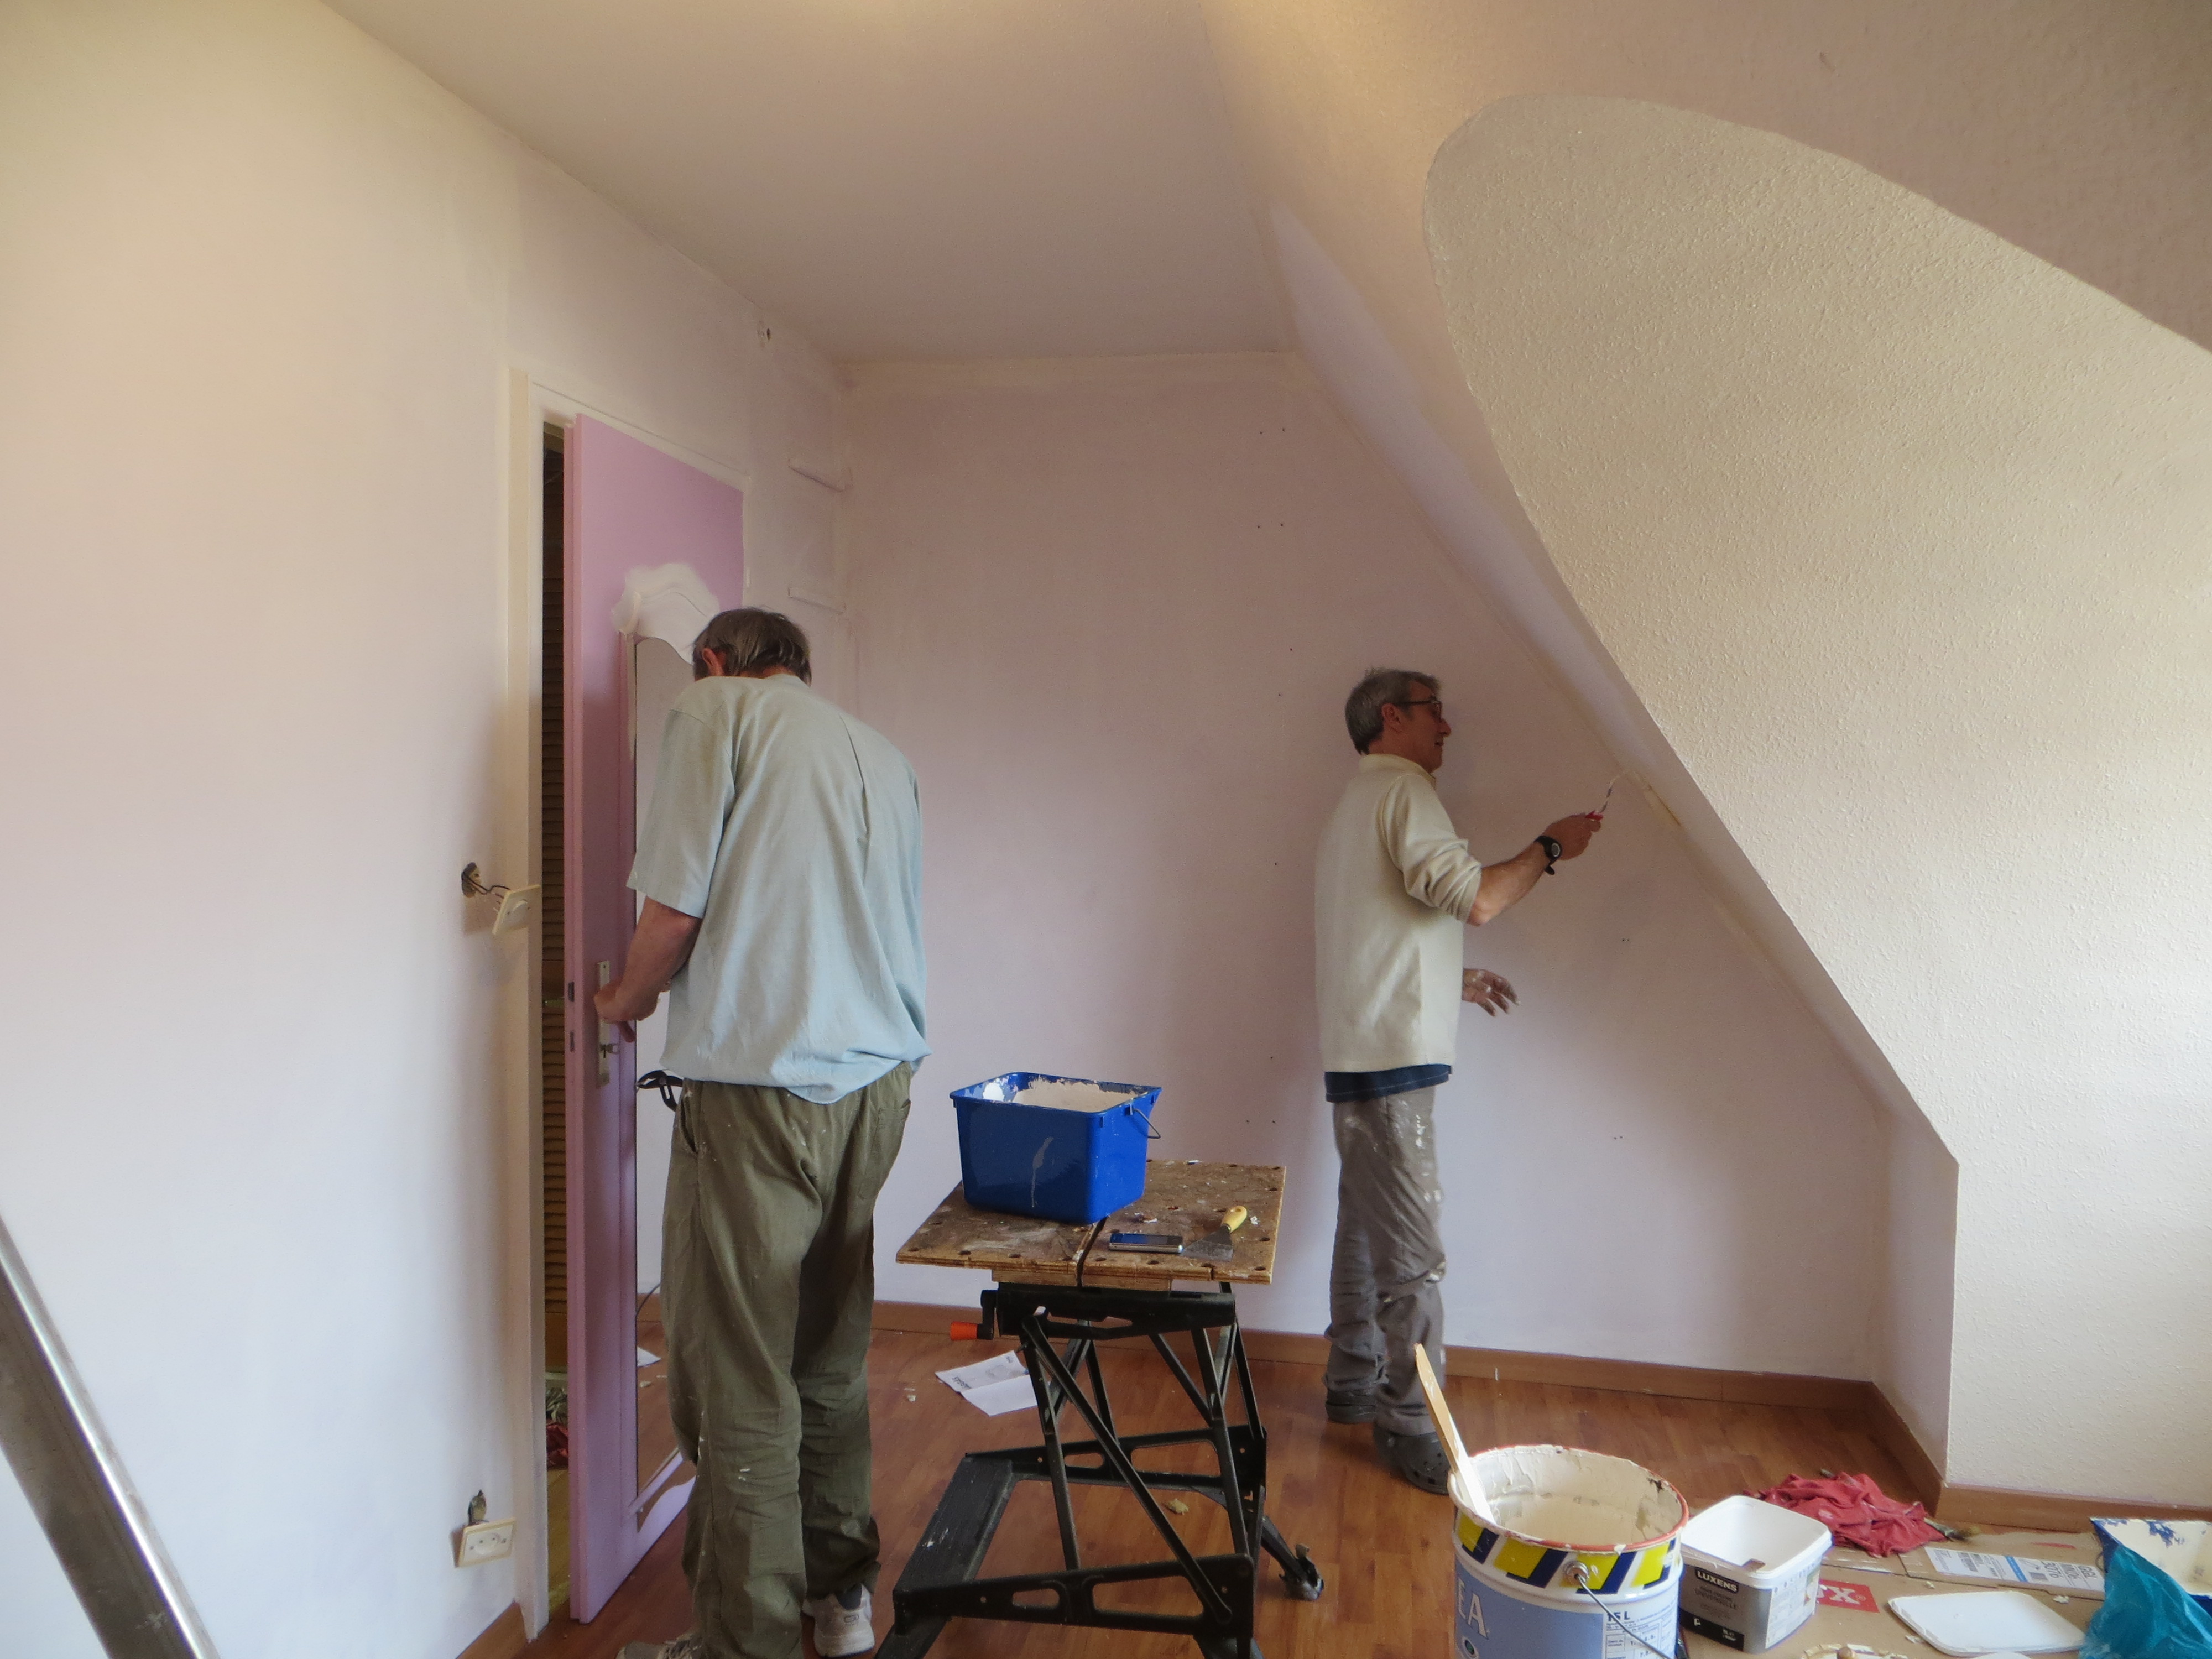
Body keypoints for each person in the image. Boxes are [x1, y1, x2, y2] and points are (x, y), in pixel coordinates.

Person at [601, 608, 927, 1659]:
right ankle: (841, 1604)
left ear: (713, 662)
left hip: (761, 1093)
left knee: (738, 1374)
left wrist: (619, 1004)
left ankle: (744, 1643)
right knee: (827, 1355)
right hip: (876, 1088)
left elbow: (675, 911)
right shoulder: (878, 752)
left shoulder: (715, 712)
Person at [1314, 667, 1598, 1494]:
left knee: (1365, 1227)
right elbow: (1475, 900)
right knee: (1413, 1256)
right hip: (1390, 1059)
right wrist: (1550, 848)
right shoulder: (1405, 792)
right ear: (1391, 718)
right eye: (1434, 711)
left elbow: (1379, 927)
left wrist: (1447, 980)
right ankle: (1410, 1426)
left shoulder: (1358, 801)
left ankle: (1351, 1383)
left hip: (1365, 1047)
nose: (1447, 726)